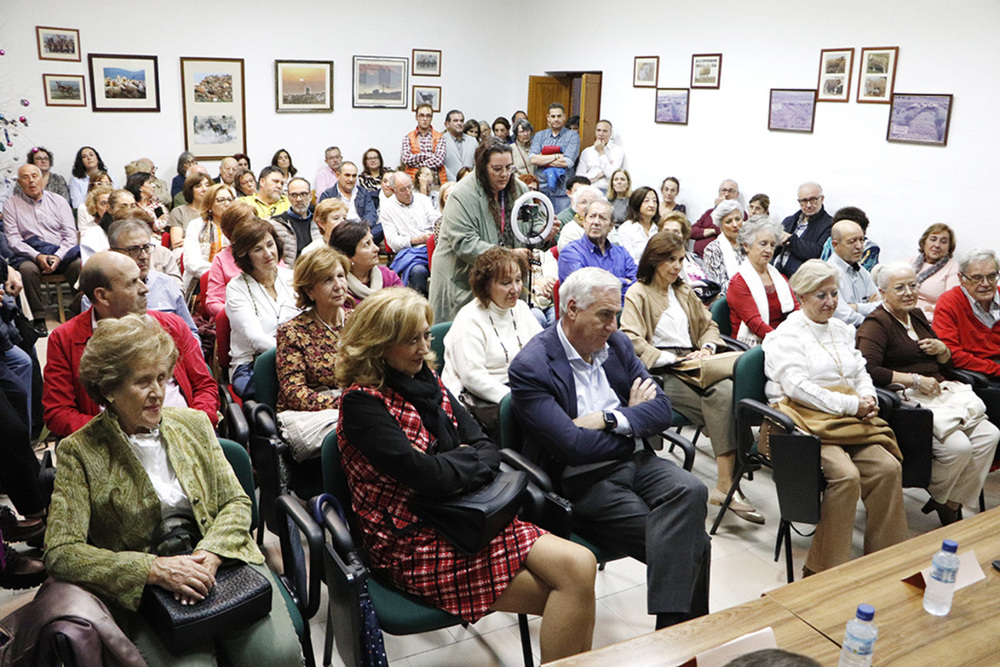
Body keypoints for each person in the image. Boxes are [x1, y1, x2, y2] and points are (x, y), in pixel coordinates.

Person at [334, 289, 596, 662]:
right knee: (572, 592)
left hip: (467, 514)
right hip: (412, 540)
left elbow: (484, 445)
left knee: (581, 564)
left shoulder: (427, 380)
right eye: (412, 339)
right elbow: (428, 475)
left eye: (426, 335)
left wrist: (457, 462)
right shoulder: (362, 404)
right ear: (379, 346)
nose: (425, 347)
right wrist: (462, 462)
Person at [44, 313, 302, 666]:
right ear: (108, 389)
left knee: (277, 657)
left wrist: (209, 555)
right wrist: (154, 570)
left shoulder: (193, 424)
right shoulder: (80, 451)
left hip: (221, 562)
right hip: (149, 589)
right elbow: (61, 552)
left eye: (162, 378)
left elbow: (236, 501)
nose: (158, 393)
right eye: (142, 382)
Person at [509, 267, 710, 628]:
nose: (614, 325)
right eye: (605, 314)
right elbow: (572, 448)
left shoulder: (614, 345)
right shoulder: (532, 367)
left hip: (637, 461)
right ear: (572, 309)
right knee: (692, 542)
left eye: (616, 314)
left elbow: (662, 410)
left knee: (693, 489)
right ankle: (680, 641)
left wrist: (611, 419)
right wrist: (633, 422)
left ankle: (676, 640)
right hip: (583, 481)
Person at [763, 259, 909, 575]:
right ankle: (823, 568)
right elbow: (797, 387)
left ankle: (885, 557)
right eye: (821, 295)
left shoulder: (842, 329)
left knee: (887, 467)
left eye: (834, 294)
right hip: (802, 420)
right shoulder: (786, 334)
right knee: (846, 475)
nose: (830, 302)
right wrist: (850, 405)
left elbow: (859, 370)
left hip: (845, 418)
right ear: (801, 297)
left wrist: (867, 395)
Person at [621, 232, 762, 524]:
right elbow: (631, 339)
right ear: (654, 260)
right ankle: (729, 484)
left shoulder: (683, 291)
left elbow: (709, 326)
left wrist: (707, 347)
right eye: (670, 260)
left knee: (727, 391)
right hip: (660, 370)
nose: (677, 266)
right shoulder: (638, 293)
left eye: (681, 259)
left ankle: (726, 485)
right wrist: (673, 359)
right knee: (724, 399)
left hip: (695, 363)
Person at [858, 262, 999, 524]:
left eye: (913, 285)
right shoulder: (877, 324)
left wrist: (941, 350)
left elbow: (945, 361)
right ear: (882, 292)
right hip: (907, 401)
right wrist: (913, 380)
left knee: (991, 435)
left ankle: (949, 501)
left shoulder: (917, 316)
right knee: (959, 448)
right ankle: (944, 498)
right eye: (900, 288)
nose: (909, 292)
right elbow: (867, 369)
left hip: (940, 394)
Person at [43, 251, 218, 438]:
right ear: (102, 296)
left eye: (142, 279)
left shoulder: (171, 325)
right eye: (132, 283)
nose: (144, 289)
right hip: (112, 446)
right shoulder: (65, 339)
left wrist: (194, 425)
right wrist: (120, 435)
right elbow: (58, 412)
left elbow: (205, 386)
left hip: (185, 435)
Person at [429, 138, 542, 322]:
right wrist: (510, 255)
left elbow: (529, 229)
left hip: (503, 282)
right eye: (497, 169)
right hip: (463, 279)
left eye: (509, 167)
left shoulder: (519, 190)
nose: (504, 174)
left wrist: (542, 232)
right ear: (482, 167)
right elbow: (466, 244)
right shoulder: (461, 195)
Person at [275, 247, 352, 459]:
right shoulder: (292, 332)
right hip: (312, 415)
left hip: (355, 404)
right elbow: (293, 393)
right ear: (310, 291)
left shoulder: (358, 322)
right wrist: (346, 404)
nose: (338, 286)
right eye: (327, 280)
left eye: (341, 276)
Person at [442, 247, 542, 409]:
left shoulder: (521, 309)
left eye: (518, 280)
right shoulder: (469, 318)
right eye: (506, 283)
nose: (515, 289)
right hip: (486, 399)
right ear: (485, 286)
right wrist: (517, 399)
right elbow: (472, 377)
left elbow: (543, 352)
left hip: (523, 390)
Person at [2, 164, 81, 337]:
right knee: (26, 270)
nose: (31, 181)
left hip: (60, 252)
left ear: (42, 179)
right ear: (20, 183)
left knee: (79, 264)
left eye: (34, 176)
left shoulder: (58, 201)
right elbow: (14, 239)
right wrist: (38, 256)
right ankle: (39, 318)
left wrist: (58, 256)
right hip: (30, 254)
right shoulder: (11, 204)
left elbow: (70, 235)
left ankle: (80, 310)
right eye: (25, 177)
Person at [226, 218, 298, 400]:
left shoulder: (292, 277)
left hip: (297, 360)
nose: (268, 254)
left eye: (270, 245)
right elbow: (255, 338)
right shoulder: (236, 288)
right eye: (258, 249)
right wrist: (297, 354)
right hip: (253, 364)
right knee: (284, 393)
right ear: (245, 255)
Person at [106, 219, 199, 339]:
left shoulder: (167, 284)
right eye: (134, 250)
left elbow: (191, 334)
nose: (144, 256)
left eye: (146, 247)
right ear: (113, 253)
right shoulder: (102, 292)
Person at [728, 216, 798, 347]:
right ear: (746, 246)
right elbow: (756, 325)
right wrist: (784, 342)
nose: (769, 250)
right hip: (753, 348)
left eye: (772, 245)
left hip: (783, 340)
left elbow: (796, 310)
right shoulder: (738, 283)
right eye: (763, 244)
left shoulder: (779, 277)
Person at [933, 248, 1000, 381]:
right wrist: (996, 369)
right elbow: (952, 354)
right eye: (977, 278)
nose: (985, 284)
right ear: (961, 278)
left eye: (991, 276)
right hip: (978, 377)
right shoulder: (949, 302)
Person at [559, 199, 636, 301]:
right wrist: (623, 281)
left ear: (611, 226)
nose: (596, 222)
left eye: (602, 218)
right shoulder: (570, 252)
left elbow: (637, 283)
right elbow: (583, 289)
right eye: (592, 216)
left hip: (622, 309)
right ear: (584, 222)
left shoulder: (621, 253)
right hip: (587, 312)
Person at [381, 172, 441, 295]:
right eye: (402, 190)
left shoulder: (423, 200)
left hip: (434, 247)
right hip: (411, 252)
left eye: (409, 187)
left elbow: (437, 220)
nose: (408, 192)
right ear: (393, 191)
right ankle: (419, 309)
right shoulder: (387, 208)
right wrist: (417, 240)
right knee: (417, 271)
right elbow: (393, 242)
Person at [203, 203, 256, 320]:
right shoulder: (221, 259)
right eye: (247, 225)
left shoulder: (268, 252)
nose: (254, 229)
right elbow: (212, 302)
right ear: (231, 231)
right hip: (236, 319)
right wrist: (238, 314)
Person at [329, 221, 402, 303]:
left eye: (372, 241)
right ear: (347, 257)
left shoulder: (389, 276)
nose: (376, 249)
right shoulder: (337, 288)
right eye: (367, 244)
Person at [181, 183, 234, 292]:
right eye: (221, 200)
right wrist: (221, 274)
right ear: (209, 205)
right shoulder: (196, 225)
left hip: (235, 281)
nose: (227, 204)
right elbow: (192, 262)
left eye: (230, 200)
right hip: (202, 282)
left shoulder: (239, 226)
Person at [827, 219, 880, 327]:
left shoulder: (862, 272)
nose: (859, 246)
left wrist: (856, 307)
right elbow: (844, 317)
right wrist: (870, 313)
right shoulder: (829, 274)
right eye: (852, 242)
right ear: (835, 245)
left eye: (861, 240)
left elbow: (882, 306)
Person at [774, 182, 834, 277]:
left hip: (803, 279)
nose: (809, 205)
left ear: (822, 199)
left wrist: (791, 240)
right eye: (804, 201)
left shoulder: (830, 224)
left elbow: (818, 252)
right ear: (799, 202)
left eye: (813, 200)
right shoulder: (789, 221)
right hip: (777, 273)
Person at [530, 103, 580, 214]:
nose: (556, 119)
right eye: (553, 116)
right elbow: (533, 159)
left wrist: (542, 159)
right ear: (548, 117)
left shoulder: (572, 136)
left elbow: (568, 162)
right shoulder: (539, 136)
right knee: (542, 223)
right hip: (542, 188)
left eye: (558, 116)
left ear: (564, 117)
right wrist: (557, 156)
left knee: (560, 223)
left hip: (562, 190)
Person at [317, 162, 381, 245]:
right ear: (337, 175)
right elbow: (327, 220)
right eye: (347, 175)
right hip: (341, 234)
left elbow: (371, 214)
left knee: (382, 227)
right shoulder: (328, 195)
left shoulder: (363, 192)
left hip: (363, 231)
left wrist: (363, 229)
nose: (351, 179)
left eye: (354, 176)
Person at [910, 223, 961, 321]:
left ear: (949, 247)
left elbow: (952, 301)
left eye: (943, 242)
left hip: (927, 318)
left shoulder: (953, 268)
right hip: (902, 311)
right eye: (933, 239)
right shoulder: (911, 262)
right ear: (924, 242)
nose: (937, 245)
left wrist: (934, 308)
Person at [702, 201, 746, 300]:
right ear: (720, 225)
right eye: (729, 221)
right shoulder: (713, 250)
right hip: (729, 301)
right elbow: (720, 287)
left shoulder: (749, 244)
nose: (735, 225)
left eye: (738, 219)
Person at [820, 206, 881, 271]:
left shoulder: (870, 247)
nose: (858, 246)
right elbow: (823, 266)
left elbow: (858, 272)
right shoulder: (831, 241)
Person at [270, 177, 315, 264]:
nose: (299, 199)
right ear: (288, 197)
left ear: (310, 196)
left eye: (303, 194)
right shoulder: (277, 223)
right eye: (294, 195)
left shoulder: (318, 221)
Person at [400, 103, 447, 185]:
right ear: (416, 117)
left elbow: (439, 161)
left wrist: (417, 163)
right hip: (412, 180)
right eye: (422, 115)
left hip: (434, 181)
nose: (425, 119)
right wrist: (429, 155)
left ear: (431, 118)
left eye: (428, 116)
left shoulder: (440, 137)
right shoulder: (408, 137)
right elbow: (406, 159)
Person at [691, 180, 740, 257]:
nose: (726, 194)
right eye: (723, 190)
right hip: (697, 257)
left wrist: (718, 208)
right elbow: (691, 231)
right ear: (719, 192)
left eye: (730, 191)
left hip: (720, 257)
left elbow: (723, 231)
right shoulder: (709, 212)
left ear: (737, 195)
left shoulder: (738, 214)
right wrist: (711, 231)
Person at [167, 172, 213, 251]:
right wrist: (205, 242)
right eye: (198, 186)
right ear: (190, 190)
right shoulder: (179, 212)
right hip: (186, 253)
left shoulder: (214, 211)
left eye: (207, 185)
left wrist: (190, 241)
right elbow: (177, 244)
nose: (204, 189)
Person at [577, 120, 625, 194]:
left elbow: (611, 174)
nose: (601, 134)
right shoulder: (587, 151)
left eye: (605, 131)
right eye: (598, 130)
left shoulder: (617, 151)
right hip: (589, 189)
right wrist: (597, 176)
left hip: (608, 191)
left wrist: (601, 152)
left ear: (610, 134)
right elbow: (579, 178)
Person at [617, 186, 661, 264]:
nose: (652, 205)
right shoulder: (626, 228)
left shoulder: (659, 228)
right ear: (637, 203)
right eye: (646, 201)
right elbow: (629, 259)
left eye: (655, 201)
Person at [556, 184, 603, 252]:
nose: (588, 206)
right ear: (576, 206)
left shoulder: (607, 225)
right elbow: (572, 257)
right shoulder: (570, 230)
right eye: (583, 202)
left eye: (592, 202)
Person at [443, 110, 478, 182]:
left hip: (470, 183)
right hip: (450, 184)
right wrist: (456, 181)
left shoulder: (473, 141)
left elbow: (478, 163)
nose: (459, 123)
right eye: (455, 121)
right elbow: (442, 166)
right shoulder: (441, 141)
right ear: (447, 124)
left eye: (461, 121)